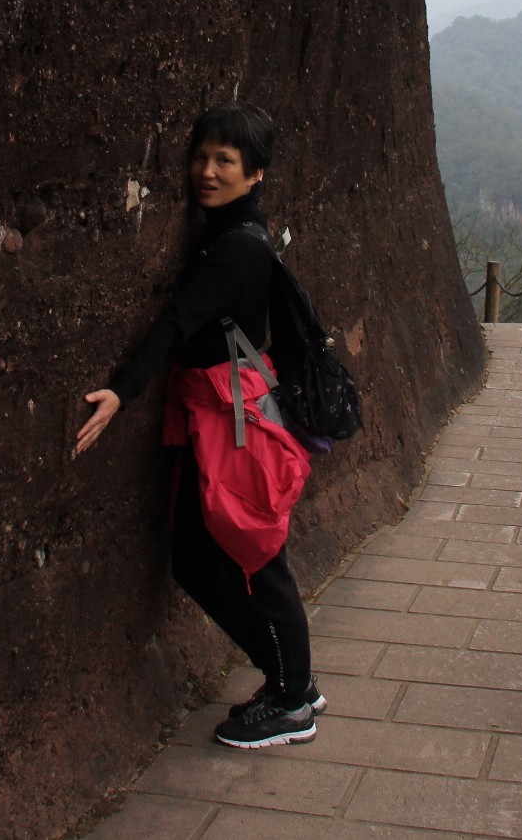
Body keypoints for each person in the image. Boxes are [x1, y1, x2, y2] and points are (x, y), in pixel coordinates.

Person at [73, 105, 323, 749]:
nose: (206, 172)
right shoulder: (236, 233)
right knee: (210, 555)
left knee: (256, 557)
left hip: (231, 418)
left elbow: (177, 323)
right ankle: (291, 681)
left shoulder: (234, 252)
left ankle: (294, 698)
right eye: (200, 157)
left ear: (255, 174)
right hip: (219, 410)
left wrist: (120, 393)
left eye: (225, 162)